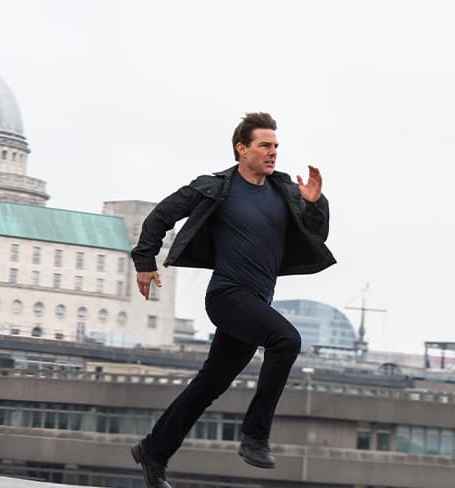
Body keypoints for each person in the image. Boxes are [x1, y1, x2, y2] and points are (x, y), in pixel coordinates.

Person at [128, 111, 333, 488]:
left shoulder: (284, 191)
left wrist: (315, 203)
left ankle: (154, 452)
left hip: (256, 302)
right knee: (286, 341)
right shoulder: (215, 187)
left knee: (210, 384)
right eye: (264, 145)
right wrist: (145, 260)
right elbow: (161, 216)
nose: (273, 153)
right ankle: (255, 436)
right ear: (242, 149)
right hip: (225, 296)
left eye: (276, 146)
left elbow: (316, 236)